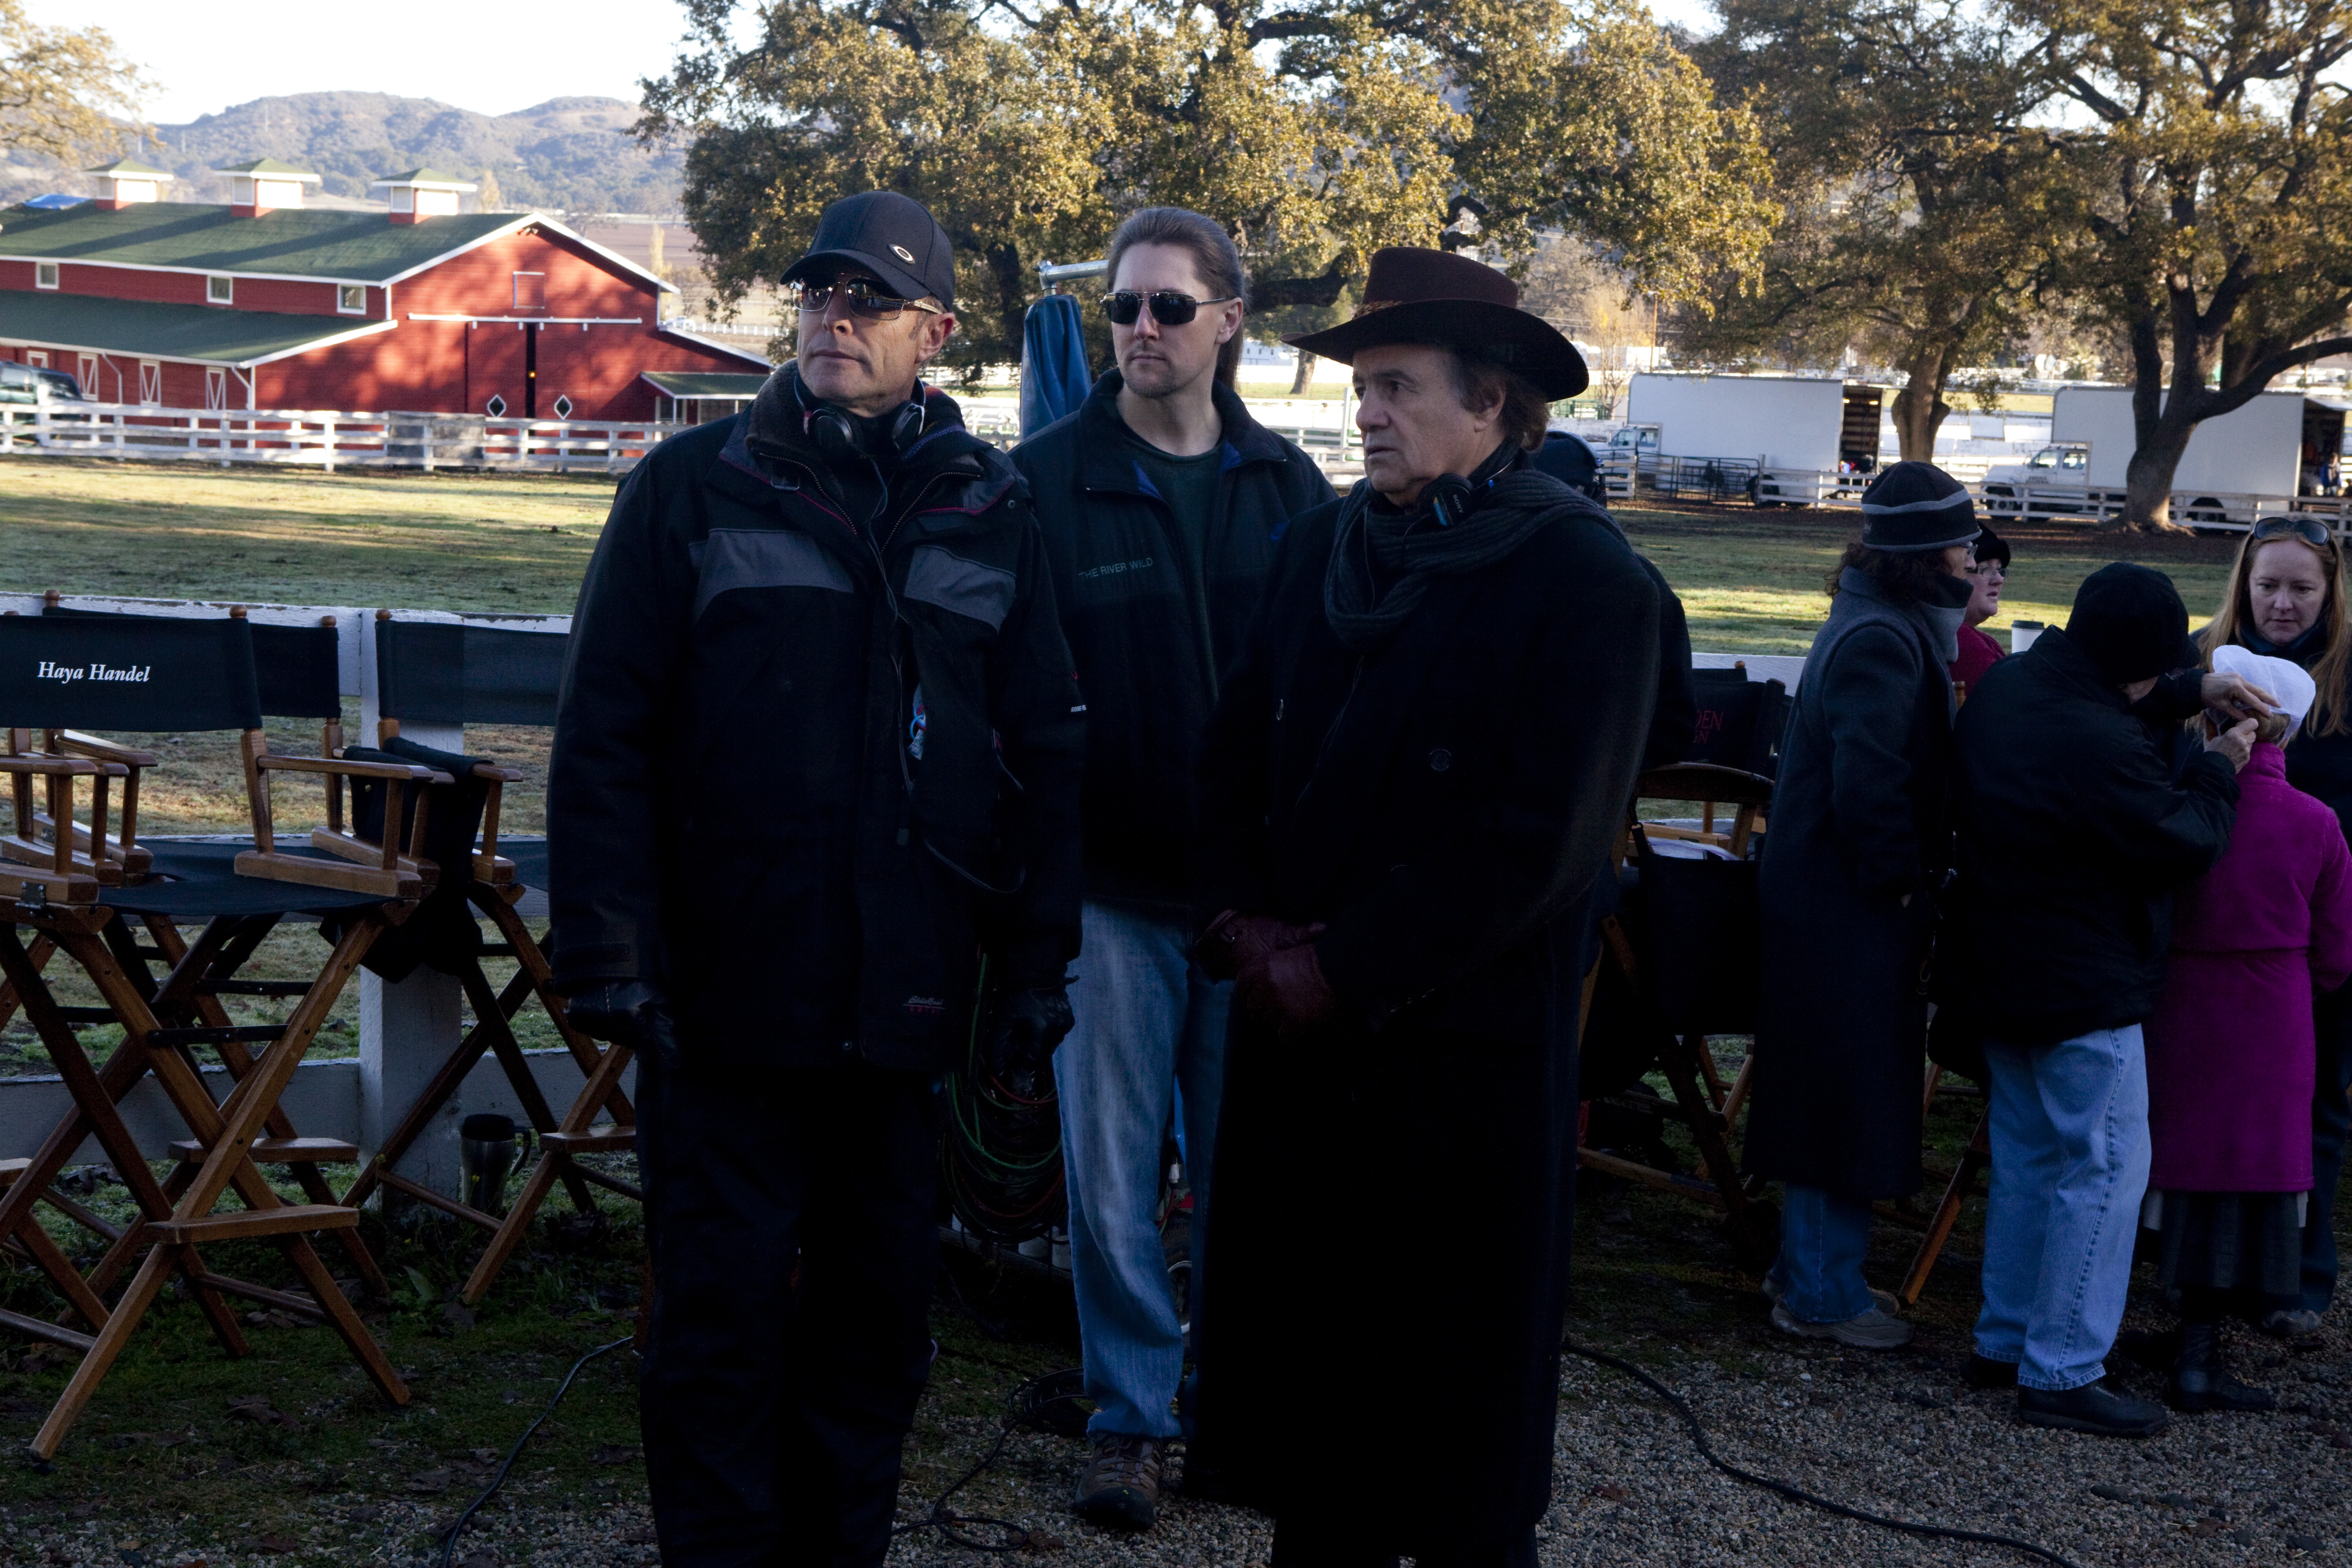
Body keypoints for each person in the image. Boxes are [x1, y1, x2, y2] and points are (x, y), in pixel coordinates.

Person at [546, 190, 1086, 1565]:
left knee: (872, 1328)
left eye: (867, 299)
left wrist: (1032, 966)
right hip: (729, 993)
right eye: (817, 295)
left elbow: (1041, 748)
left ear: (937, 331)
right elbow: (606, 728)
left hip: (906, 1007)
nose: (833, 319)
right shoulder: (692, 486)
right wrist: (607, 946)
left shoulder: (989, 507)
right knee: (717, 1324)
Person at [1188, 246, 1661, 1566]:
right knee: (1316, 1439)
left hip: (1460, 1075)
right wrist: (1239, 925)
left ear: (1493, 404)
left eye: (1397, 386)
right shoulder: (1314, 555)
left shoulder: (1589, 590)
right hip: (1305, 1065)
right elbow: (1226, 760)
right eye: (1364, 386)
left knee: (1455, 1446)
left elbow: (1543, 844)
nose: (1368, 412)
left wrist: (1346, 966)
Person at [1008, 206, 1333, 1529]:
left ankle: (1240, 1416)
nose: (1141, 329)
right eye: (1125, 308)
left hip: (1252, 904)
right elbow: (1011, 698)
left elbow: (1325, 693)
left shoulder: (1293, 493)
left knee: (1253, 1175)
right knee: (1110, 1172)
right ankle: (1130, 1417)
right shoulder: (1042, 480)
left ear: (1230, 320)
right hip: (1110, 890)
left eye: (1169, 307)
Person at [1949, 563, 2254, 1439]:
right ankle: (2065, 1367)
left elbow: (2112, 707)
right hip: (2083, 980)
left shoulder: (2014, 687)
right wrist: (2221, 765)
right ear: (2132, 663)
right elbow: (2183, 837)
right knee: (2107, 1169)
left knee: (2029, 1162)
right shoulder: (2097, 739)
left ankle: (2004, 1340)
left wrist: (2193, 687)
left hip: (1998, 966)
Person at [1743, 461, 1980, 1350]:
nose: (1971, 559)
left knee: (1834, 1087)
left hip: (1835, 903)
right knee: (1838, 1094)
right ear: (1929, 557)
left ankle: (1816, 1271)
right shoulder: (1884, 639)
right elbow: (1870, 783)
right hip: (1845, 910)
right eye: (1960, 543)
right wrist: (1907, 882)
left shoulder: (1876, 619)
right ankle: (1820, 1290)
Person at [2142, 645, 2352, 1411]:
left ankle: (2185, 1336)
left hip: (2183, 1003)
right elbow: (2336, 952)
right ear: (2287, 735)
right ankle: (2200, 1359)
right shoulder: (2316, 822)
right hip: (2273, 1012)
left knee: (2189, 1168)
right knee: (2247, 1175)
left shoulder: (2178, 798)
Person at [2194, 516, 2352, 1336]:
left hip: (2319, 928)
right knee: (2205, 1100)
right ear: (2243, 586)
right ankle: (2198, 1272)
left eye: (2302, 588)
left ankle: (2298, 1279)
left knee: (2318, 1103)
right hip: (2214, 929)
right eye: (2269, 586)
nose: (2283, 604)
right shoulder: (2203, 662)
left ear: (2332, 592)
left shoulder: (2347, 677)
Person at [1952, 523, 2009, 691]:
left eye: (1999, 570)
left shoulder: (1984, 642)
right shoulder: (1966, 647)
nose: (1999, 580)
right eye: (1985, 569)